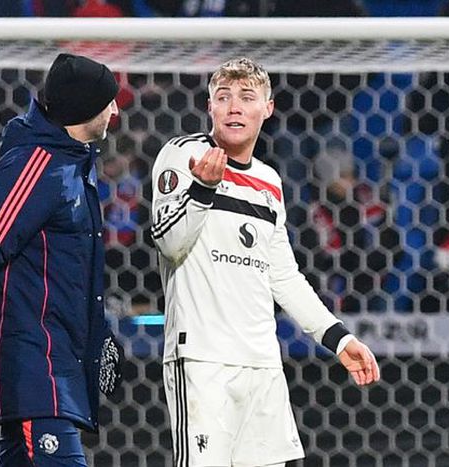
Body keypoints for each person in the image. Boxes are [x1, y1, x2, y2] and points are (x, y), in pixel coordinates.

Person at [150, 58, 381, 466]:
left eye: (246, 97)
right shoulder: (183, 155)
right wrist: (203, 190)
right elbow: (169, 244)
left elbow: (283, 276)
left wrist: (339, 339)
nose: (234, 107)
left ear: (268, 108)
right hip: (203, 359)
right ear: (209, 107)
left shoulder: (269, 181)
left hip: (263, 362)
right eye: (224, 97)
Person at [0, 53, 124, 467]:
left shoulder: (74, 164)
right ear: (85, 108)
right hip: (36, 373)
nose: (116, 111)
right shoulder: (36, 166)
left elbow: (69, 273)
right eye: (109, 102)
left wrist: (99, 334)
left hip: (54, 371)